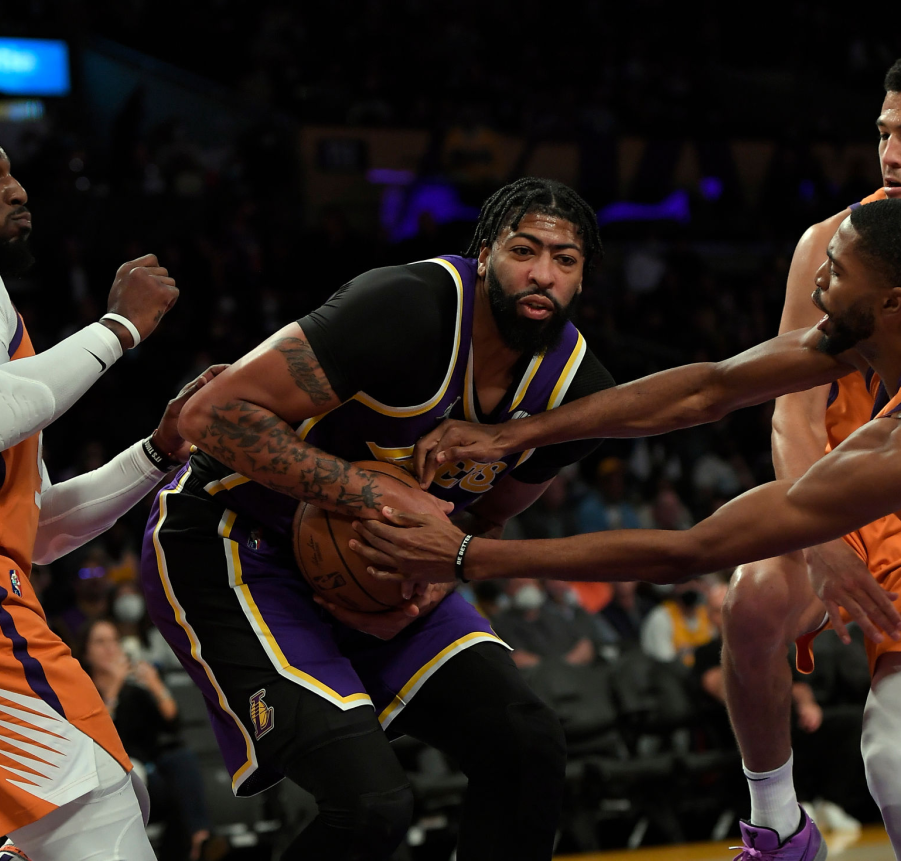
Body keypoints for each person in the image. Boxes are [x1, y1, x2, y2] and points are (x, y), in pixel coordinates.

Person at [405, 44, 901, 861]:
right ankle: (779, 825)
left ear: (890, 302)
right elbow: (712, 387)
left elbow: (690, 547)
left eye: (836, 276)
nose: (818, 283)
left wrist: (473, 557)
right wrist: (511, 434)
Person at [143, 177, 616, 860]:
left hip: (387, 568)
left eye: (564, 260)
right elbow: (209, 414)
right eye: (524, 250)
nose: (542, 273)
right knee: (371, 807)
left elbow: (485, 518)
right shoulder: (406, 306)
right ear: (485, 253)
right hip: (235, 541)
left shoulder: (578, 393)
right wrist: (374, 500)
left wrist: (431, 581)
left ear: (582, 278)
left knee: (526, 741)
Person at [0, 117, 212, 861]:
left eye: (11, 172)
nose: (17, 187)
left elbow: (37, 529)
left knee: (105, 802)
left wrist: (159, 451)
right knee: (96, 812)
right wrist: (120, 326)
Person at [78, 618, 214, 861]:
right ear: (86, 653)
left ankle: (200, 840)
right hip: (112, 776)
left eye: (114, 641)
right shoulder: (82, 693)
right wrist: (114, 688)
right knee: (171, 793)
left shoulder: (135, 692)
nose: (111, 648)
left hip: (150, 770)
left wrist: (155, 684)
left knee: (181, 760)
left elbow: (172, 722)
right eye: (100, 642)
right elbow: (97, 738)